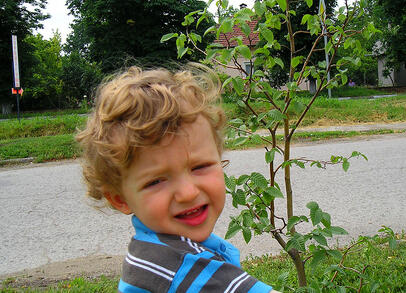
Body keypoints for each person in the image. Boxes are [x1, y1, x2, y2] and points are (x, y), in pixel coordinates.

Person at [76, 65, 277, 292]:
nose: (188, 192)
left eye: (200, 166)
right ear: (120, 199)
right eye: (155, 181)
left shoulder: (151, 252)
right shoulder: (178, 268)